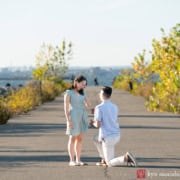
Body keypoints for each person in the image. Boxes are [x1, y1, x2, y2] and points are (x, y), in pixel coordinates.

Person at [90, 86, 137, 167]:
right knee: (96, 139)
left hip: (107, 138)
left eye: (100, 93)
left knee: (110, 163)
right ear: (110, 95)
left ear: (103, 94)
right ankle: (103, 159)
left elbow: (98, 124)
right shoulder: (115, 107)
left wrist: (92, 123)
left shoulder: (99, 107)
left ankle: (125, 158)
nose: (99, 94)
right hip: (116, 135)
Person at [64, 75, 89, 166]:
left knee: (80, 139)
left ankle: (78, 160)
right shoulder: (69, 93)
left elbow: (87, 104)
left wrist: (87, 104)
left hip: (82, 116)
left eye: (85, 85)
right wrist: (68, 120)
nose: (84, 86)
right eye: (82, 84)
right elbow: (66, 108)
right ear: (76, 82)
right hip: (73, 115)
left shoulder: (83, 92)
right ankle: (71, 160)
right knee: (72, 138)